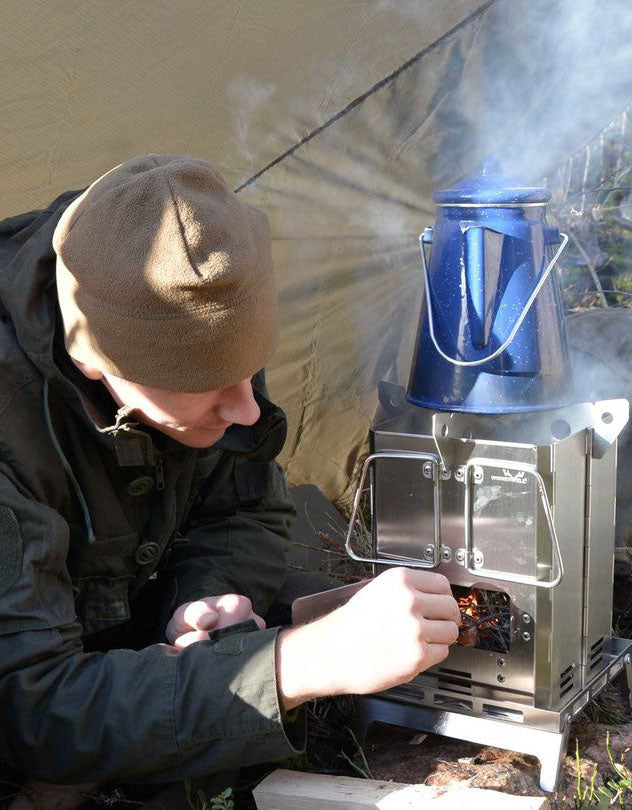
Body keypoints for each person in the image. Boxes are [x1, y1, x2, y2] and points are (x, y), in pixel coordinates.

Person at [0, 155, 461, 788]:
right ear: (95, 364)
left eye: (250, 370)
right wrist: (295, 666)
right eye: (211, 386)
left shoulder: (191, 309)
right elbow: (32, 712)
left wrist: (199, 596)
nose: (247, 407)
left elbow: (247, 509)